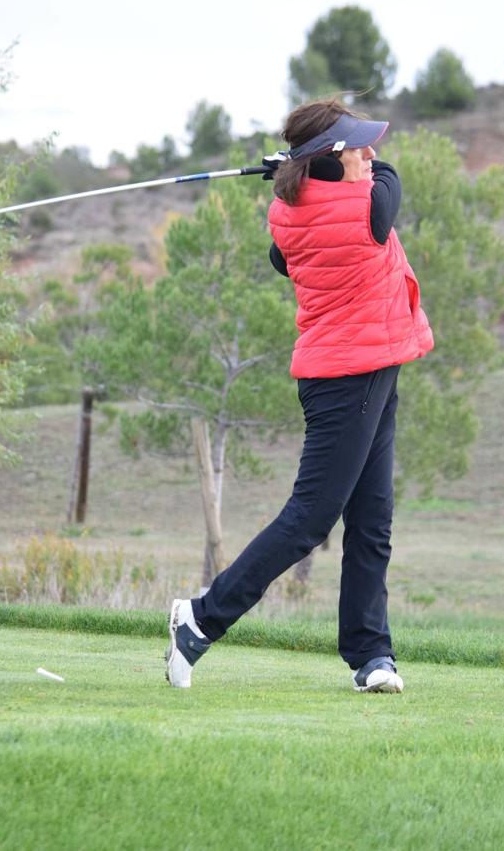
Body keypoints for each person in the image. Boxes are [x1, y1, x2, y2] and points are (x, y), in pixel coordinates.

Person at [165, 98, 434, 693]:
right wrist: (312, 168)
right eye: (359, 146)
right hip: (350, 376)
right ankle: (201, 620)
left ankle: (371, 655)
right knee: (310, 519)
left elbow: (281, 257)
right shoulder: (368, 206)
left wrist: (302, 175)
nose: (372, 156)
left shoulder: (289, 213)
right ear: (333, 159)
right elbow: (389, 183)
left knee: (372, 520)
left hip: (368, 368)